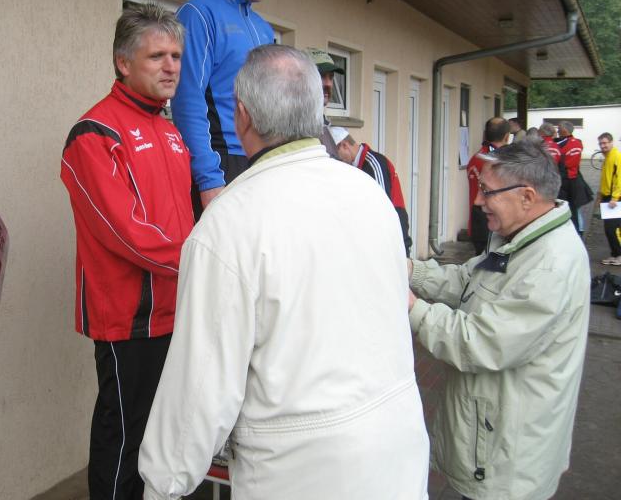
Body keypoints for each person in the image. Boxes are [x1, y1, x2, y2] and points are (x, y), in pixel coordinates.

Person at [139, 45, 429, 500]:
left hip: (301, 473)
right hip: (400, 454)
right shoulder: (370, 194)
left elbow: (199, 389)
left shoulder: (229, 224)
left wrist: (163, 485)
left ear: (242, 115)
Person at [60, 3, 194, 499]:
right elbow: (128, 233)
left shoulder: (171, 131)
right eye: (157, 56)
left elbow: (185, 221)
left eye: (175, 56)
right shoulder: (94, 133)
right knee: (124, 440)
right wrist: (201, 263)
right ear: (123, 62)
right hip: (129, 319)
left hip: (177, 309)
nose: (170, 67)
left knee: (166, 437)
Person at [408, 139, 590, 500]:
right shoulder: (520, 238)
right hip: (491, 440)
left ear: (527, 197)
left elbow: (478, 343)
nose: (477, 201)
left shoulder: (549, 266)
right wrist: (410, 270)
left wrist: (409, 306)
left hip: (507, 459)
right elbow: (466, 280)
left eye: (487, 191)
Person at [171, 0, 285, 213]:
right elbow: (188, 100)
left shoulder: (264, 28)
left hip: (260, 162)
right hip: (221, 163)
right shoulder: (198, 14)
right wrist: (208, 178)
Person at [331, 125, 412, 255]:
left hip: (393, 233)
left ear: (344, 145)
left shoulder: (374, 164)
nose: (338, 161)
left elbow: (383, 208)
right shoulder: (355, 166)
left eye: (337, 156)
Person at [466, 117, 510, 255]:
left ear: (485, 134)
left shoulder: (476, 158)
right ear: (507, 136)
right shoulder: (500, 162)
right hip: (494, 221)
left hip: (477, 220)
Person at [305, 47, 344, 158]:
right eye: (321, 76)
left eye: (331, 77)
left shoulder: (328, 126)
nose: (328, 84)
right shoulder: (290, 127)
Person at [556, 121, 591, 235]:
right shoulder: (578, 142)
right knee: (576, 208)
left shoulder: (561, 144)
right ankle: (579, 231)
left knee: (566, 207)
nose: (557, 131)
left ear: (564, 131)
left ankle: (572, 231)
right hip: (575, 178)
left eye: (559, 129)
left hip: (566, 180)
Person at [598, 132, 621, 265]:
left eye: (605, 143)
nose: (603, 146)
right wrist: (600, 195)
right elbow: (606, 178)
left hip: (614, 198)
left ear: (611, 142)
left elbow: (619, 178)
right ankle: (615, 254)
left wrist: (615, 198)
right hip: (607, 197)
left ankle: (619, 255)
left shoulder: (616, 156)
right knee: (610, 228)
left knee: (612, 229)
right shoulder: (607, 157)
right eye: (601, 143)